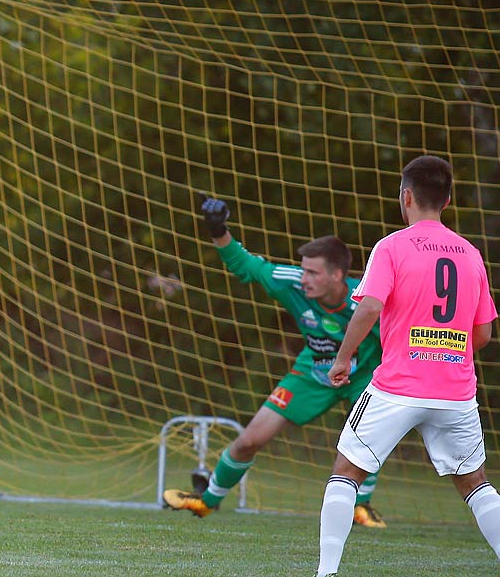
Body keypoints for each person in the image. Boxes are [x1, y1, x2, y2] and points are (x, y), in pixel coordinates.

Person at [311, 156, 500, 577]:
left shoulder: (391, 247)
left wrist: (343, 359)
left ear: (405, 197)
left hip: (397, 386)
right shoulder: (470, 254)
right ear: (447, 200)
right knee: (475, 483)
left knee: (345, 471)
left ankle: (327, 574)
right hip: (455, 391)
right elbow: (481, 333)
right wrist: (446, 350)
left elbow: (368, 306)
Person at [163, 198, 386, 525]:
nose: (304, 277)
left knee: (367, 438)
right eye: (303, 269)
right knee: (250, 439)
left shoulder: (367, 300)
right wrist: (217, 229)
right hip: (313, 371)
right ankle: (206, 501)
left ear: (337, 275)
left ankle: (361, 505)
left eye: (313, 272)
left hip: (364, 375)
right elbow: (246, 266)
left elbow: (398, 339)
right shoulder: (292, 282)